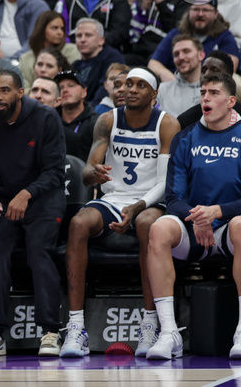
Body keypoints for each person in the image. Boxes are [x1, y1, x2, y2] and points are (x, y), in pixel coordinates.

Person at [146, 72, 241, 360]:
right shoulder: (185, 137)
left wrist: (217, 212)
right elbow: (173, 196)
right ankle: (169, 333)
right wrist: (199, 217)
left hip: (230, 224)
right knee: (158, 229)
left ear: (231, 101)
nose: (205, 98)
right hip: (193, 225)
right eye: (202, 93)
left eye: (213, 93)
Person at [61, 68, 179, 358]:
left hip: (151, 201)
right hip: (114, 199)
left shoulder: (167, 123)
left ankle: (150, 323)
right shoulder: (107, 120)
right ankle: (76, 328)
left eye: (140, 85)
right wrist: (94, 174)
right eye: (128, 84)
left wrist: (139, 206)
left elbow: (166, 184)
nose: (132, 89)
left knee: (147, 225)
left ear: (154, 95)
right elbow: (88, 173)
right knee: (77, 223)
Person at [0, 69, 65, 357]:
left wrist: (27, 193)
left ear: (20, 92)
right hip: (7, 198)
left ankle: (50, 332)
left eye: (5, 90)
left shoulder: (45, 118)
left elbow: (55, 172)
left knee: (38, 250)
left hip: (44, 197)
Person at [148, 1, 239, 82]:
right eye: (196, 9)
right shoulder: (176, 34)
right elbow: (154, 64)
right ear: (188, 12)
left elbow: (229, 70)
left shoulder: (225, 37)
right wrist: (174, 82)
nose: (200, 14)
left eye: (205, 10)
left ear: (215, 13)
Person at [177, 51, 241, 131]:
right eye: (204, 70)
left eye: (215, 70)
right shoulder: (186, 121)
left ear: (229, 77)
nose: (207, 74)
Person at [129, 0, 189, 67]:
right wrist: (143, 10)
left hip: (165, 49)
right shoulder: (139, 3)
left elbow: (176, 30)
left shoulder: (180, 2)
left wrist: (161, 4)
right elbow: (132, 35)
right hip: (140, 49)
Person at [18, 11, 79, 89]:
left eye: (62, 29)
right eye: (55, 28)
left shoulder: (71, 51)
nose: (60, 32)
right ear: (42, 29)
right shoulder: (25, 58)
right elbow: (23, 88)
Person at [72, 18, 125, 105]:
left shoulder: (112, 58)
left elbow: (104, 92)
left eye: (88, 35)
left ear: (101, 40)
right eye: (79, 36)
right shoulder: (75, 65)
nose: (82, 40)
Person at [55, 70, 98, 161]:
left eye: (71, 86)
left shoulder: (96, 123)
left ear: (84, 92)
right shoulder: (50, 121)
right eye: (60, 88)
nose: (65, 90)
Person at [157, 35, 205, 116]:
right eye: (176, 54)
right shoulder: (162, 90)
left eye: (186, 51)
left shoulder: (213, 90)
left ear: (201, 55)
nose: (181, 57)